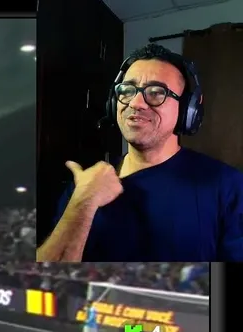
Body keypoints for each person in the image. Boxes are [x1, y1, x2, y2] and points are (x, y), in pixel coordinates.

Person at [37, 44, 243, 262]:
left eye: (156, 93)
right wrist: (82, 203)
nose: (135, 103)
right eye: (127, 90)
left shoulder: (228, 186)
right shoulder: (83, 186)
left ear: (186, 110)